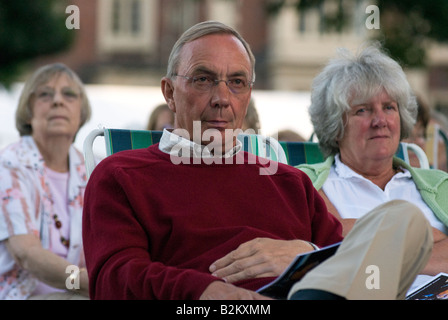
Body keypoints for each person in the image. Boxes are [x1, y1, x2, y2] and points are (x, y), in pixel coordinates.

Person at [82, 21, 432, 300]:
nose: (222, 98)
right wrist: (208, 293)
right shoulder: (121, 175)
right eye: (203, 79)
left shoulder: (287, 181)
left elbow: (344, 257)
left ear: (248, 95)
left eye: (236, 82)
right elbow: (115, 280)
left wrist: (304, 252)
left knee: (402, 220)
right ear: (169, 93)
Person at [295, 44, 448, 289]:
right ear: (336, 127)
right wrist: (427, 239)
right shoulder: (305, 185)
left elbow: (337, 245)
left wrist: (370, 250)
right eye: (363, 110)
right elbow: (315, 249)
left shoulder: (440, 185)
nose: (380, 121)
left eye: (389, 107)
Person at [0, 63, 91, 299]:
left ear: (81, 112)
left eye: (69, 94)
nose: (58, 101)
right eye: (45, 94)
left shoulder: (93, 169)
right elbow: (26, 254)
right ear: (28, 112)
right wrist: (91, 283)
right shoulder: (9, 164)